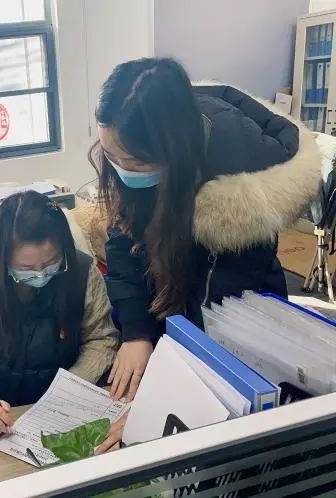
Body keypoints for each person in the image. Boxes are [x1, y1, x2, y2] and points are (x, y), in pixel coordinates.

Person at [91, 58, 321, 406]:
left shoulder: (237, 192)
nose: (122, 171)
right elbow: (123, 245)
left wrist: (167, 398)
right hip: (173, 309)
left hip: (233, 333)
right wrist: (136, 332)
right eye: (111, 156)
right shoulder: (136, 141)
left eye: (135, 163)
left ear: (174, 152)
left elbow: (218, 328)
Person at [0, 191, 119, 447]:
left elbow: (101, 340)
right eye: (26, 268)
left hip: (59, 409)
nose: (40, 275)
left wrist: (70, 389)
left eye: (51, 262)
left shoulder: (83, 273)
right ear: (2, 257)